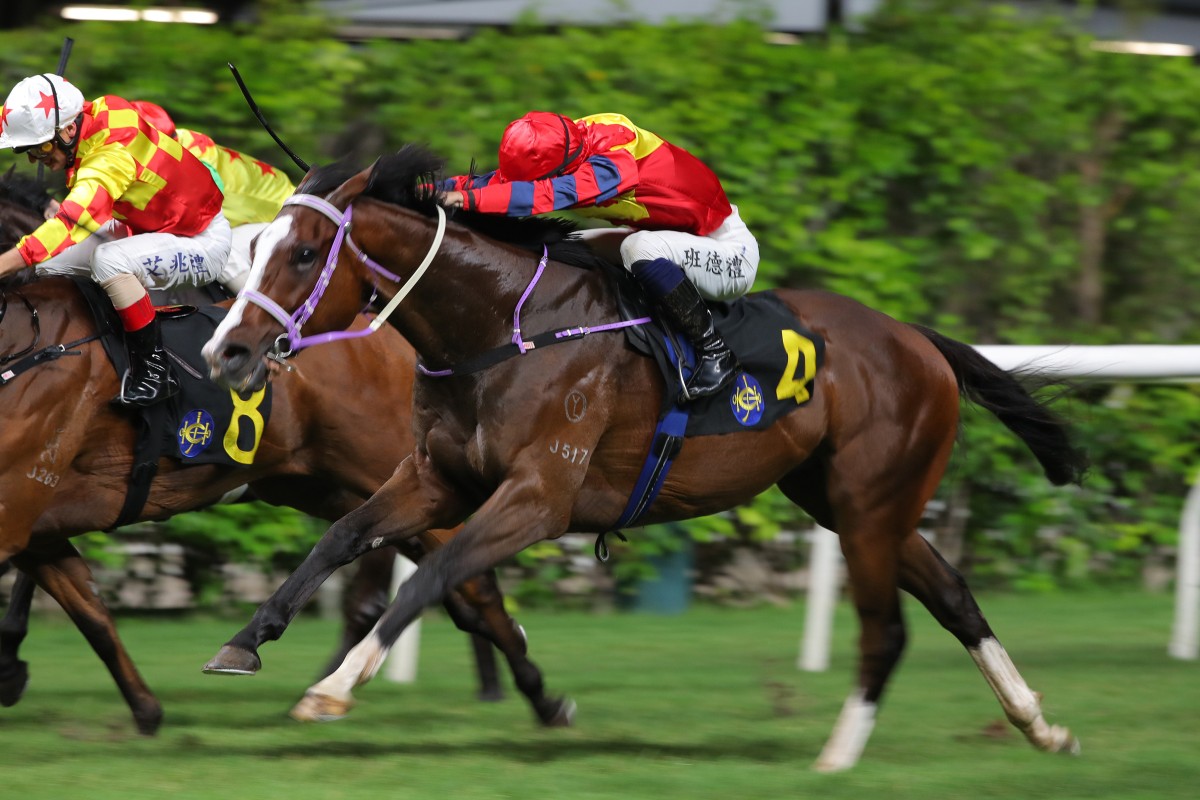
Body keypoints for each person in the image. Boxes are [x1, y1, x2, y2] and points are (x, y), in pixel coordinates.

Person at [439, 111, 760, 402]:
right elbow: (493, 184)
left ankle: (715, 352)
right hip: (674, 238)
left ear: (564, 168)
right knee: (566, 248)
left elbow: (539, 196)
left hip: (729, 253)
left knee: (638, 250)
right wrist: (426, 191)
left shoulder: (611, 166)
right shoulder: (568, 145)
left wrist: (462, 199)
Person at [0, 74, 232, 406]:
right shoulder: (86, 115)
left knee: (107, 261)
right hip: (142, 227)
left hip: (200, 238)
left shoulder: (111, 157)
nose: (34, 159)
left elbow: (68, 225)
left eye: (40, 147)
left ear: (68, 131)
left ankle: (155, 370)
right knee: (48, 267)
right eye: (27, 149)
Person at [131, 100, 295, 294]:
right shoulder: (179, 144)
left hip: (284, 216)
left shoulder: (193, 161)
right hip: (254, 216)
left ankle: (268, 311)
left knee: (219, 253)